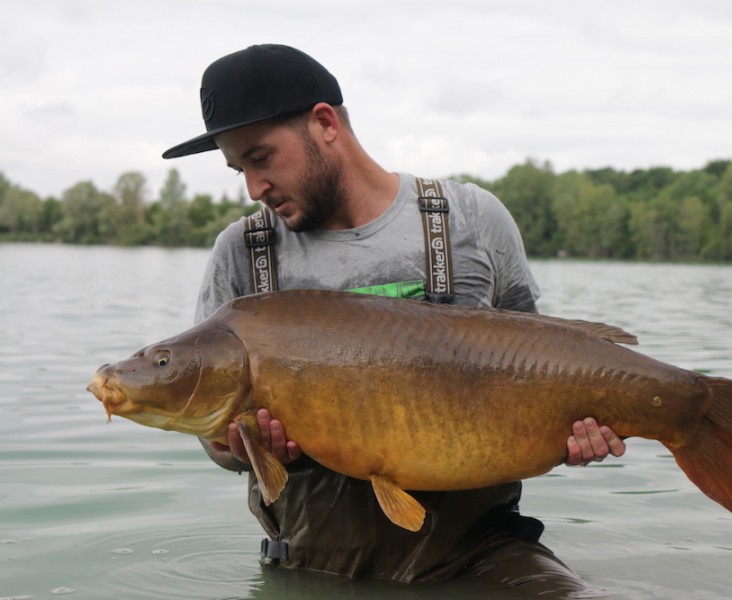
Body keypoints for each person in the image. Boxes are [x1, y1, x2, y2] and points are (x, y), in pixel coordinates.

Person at [163, 44, 625, 597]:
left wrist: (577, 431)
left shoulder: (471, 219)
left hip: (481, 552)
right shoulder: (242, 253)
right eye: (239, 168)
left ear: (325, 123)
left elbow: (542, 365)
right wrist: (238, 449)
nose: (254, 188)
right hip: (313, 567)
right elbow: (214, 438)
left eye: (261, 158)